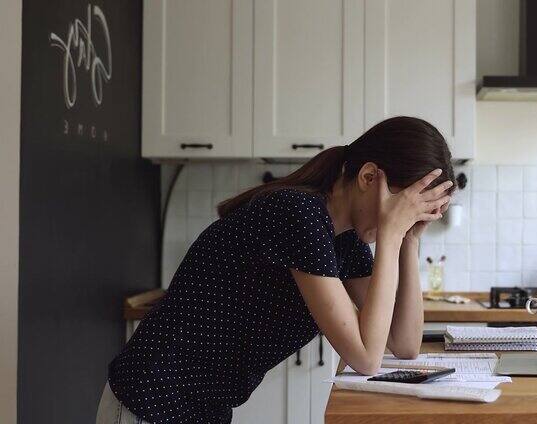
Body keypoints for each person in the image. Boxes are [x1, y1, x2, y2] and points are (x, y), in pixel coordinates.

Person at [96, 116, 456, 423]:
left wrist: (409, 240)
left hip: (199, 409)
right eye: (406, 207)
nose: (404, 220)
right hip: (150, 401)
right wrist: (392, 235)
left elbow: (404, 344)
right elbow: (365, 357)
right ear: (368, 177)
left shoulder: (344, 241)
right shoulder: (300, 214)